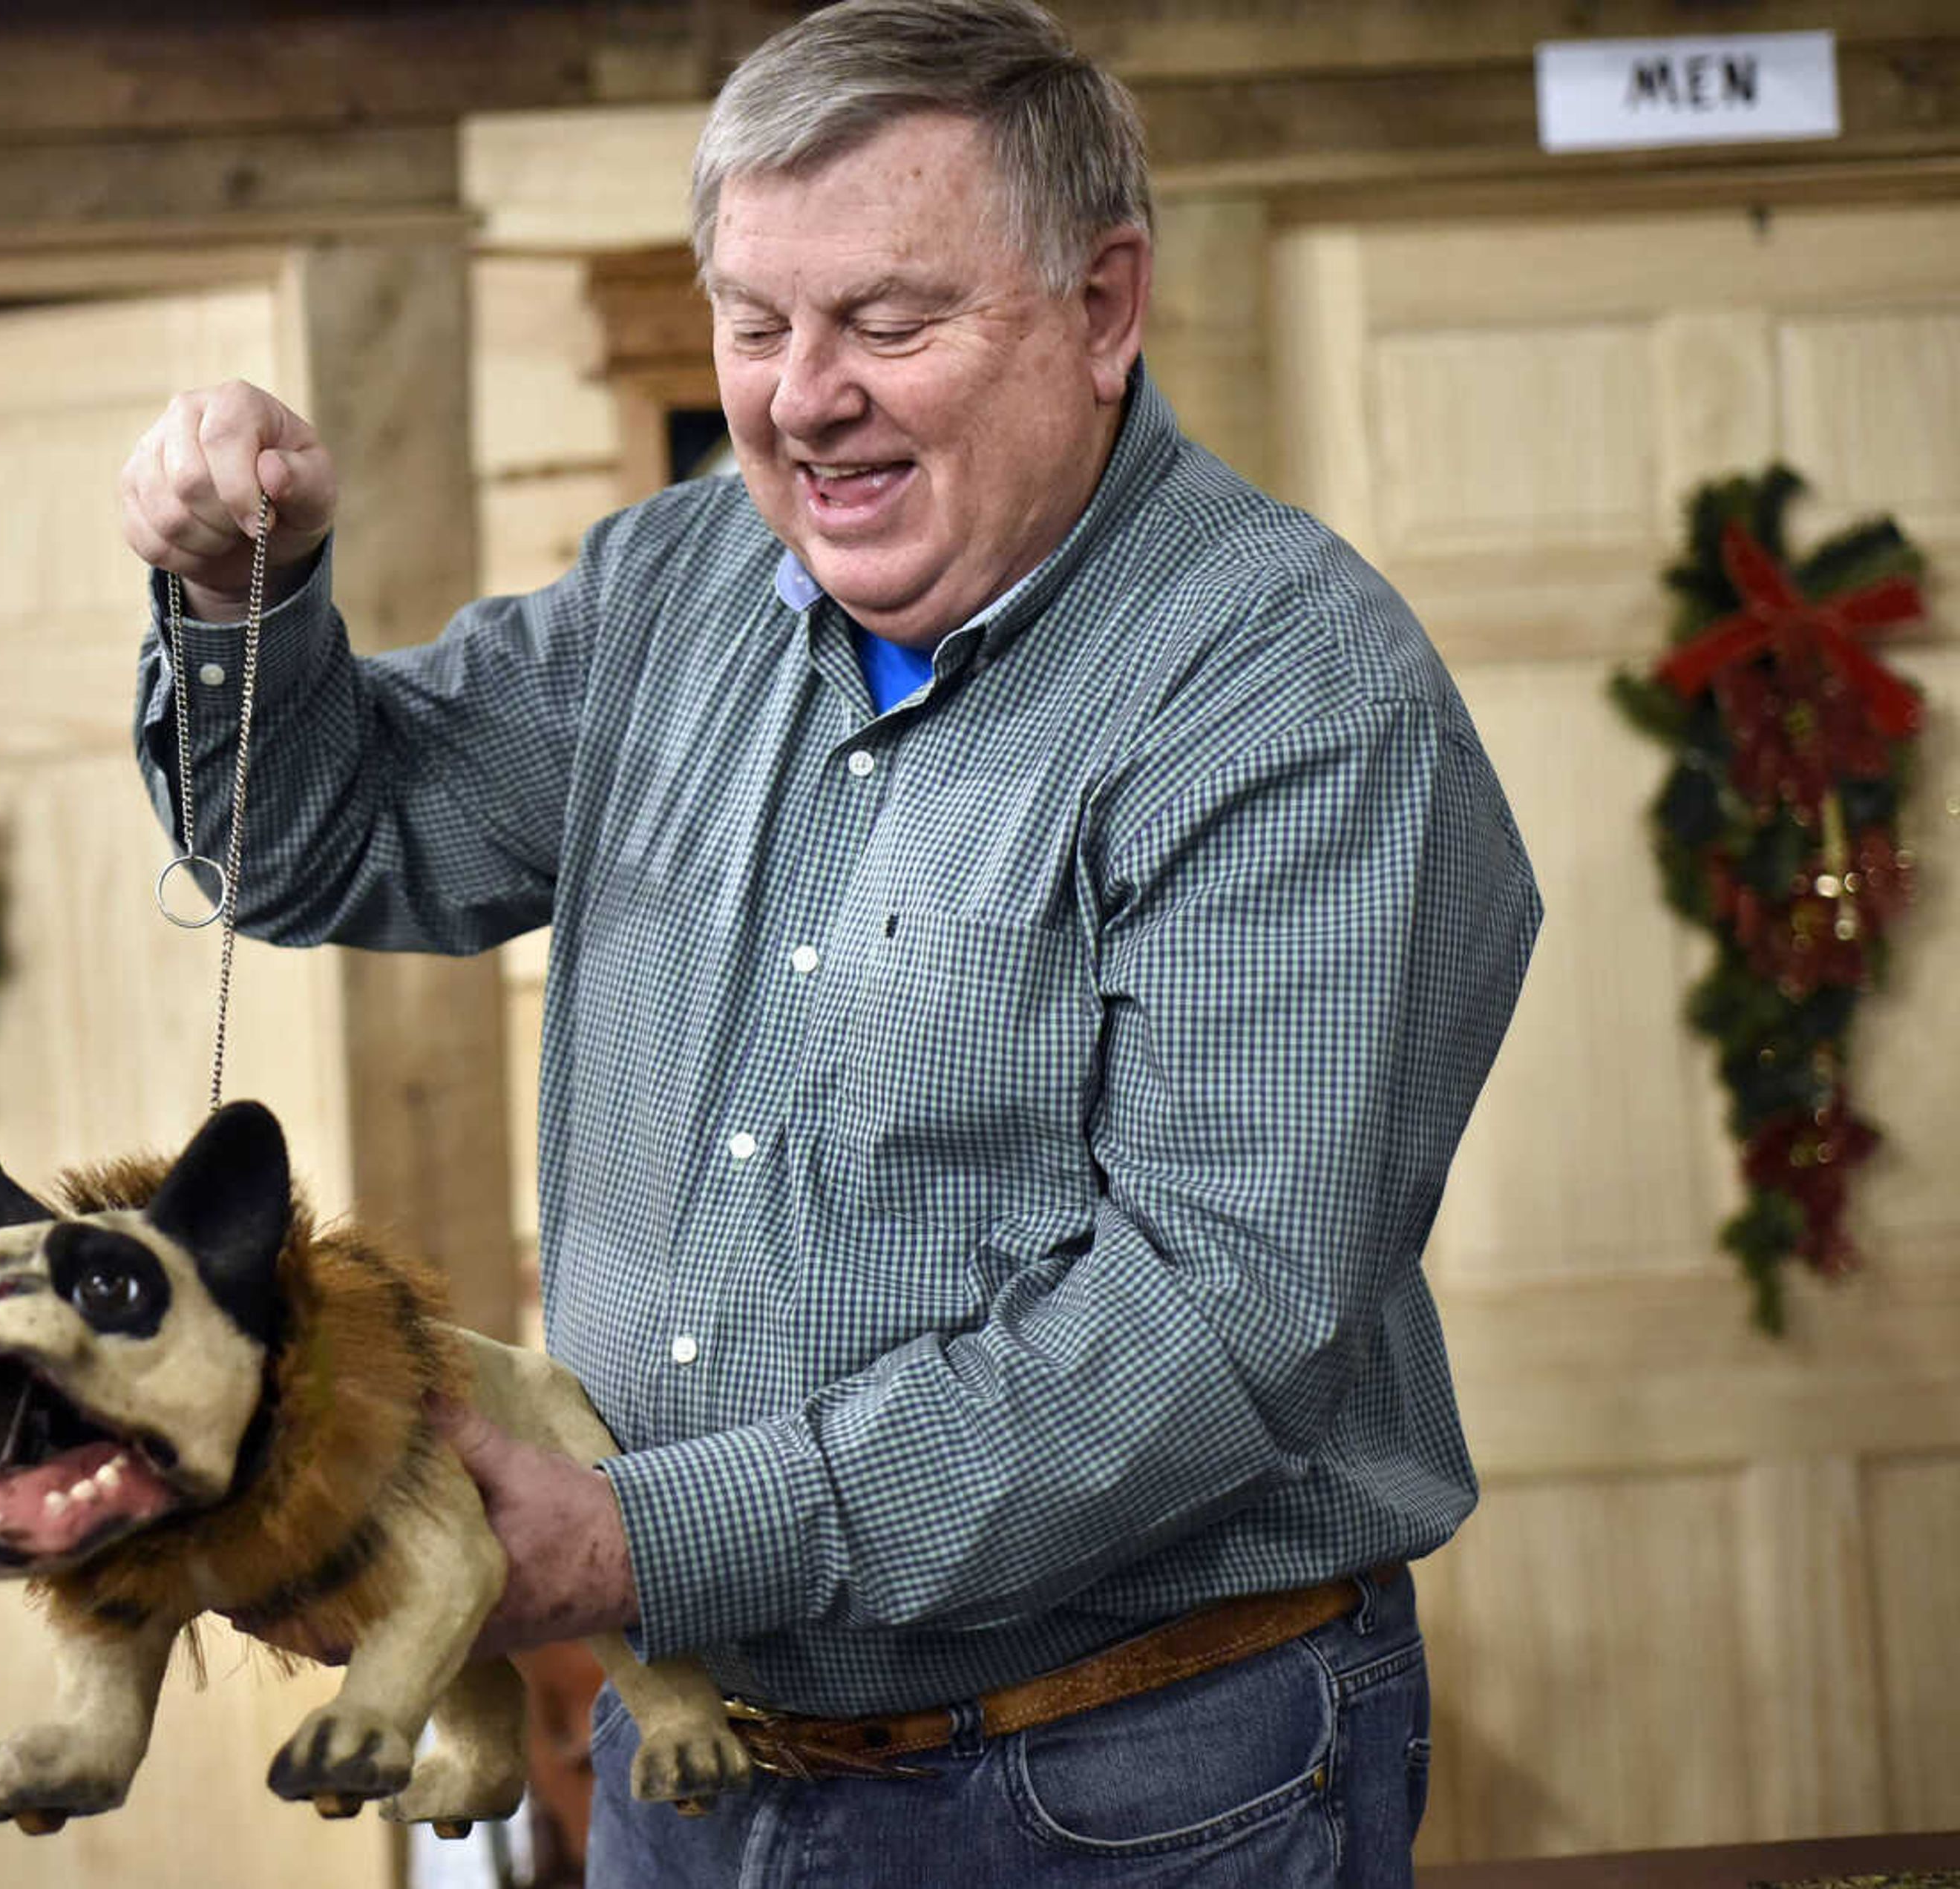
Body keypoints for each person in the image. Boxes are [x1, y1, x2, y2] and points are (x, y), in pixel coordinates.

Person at [118, 1, 1539, 1881]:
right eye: (756, 322)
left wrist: (647, 1543)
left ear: (1106, 306)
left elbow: (1218, 1313)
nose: (801, 396)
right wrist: (242, 599)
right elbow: (313, 842)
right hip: (694, 1766)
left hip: (1124, 1779)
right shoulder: (674, 587)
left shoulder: (1287, 691)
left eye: (887, 322)